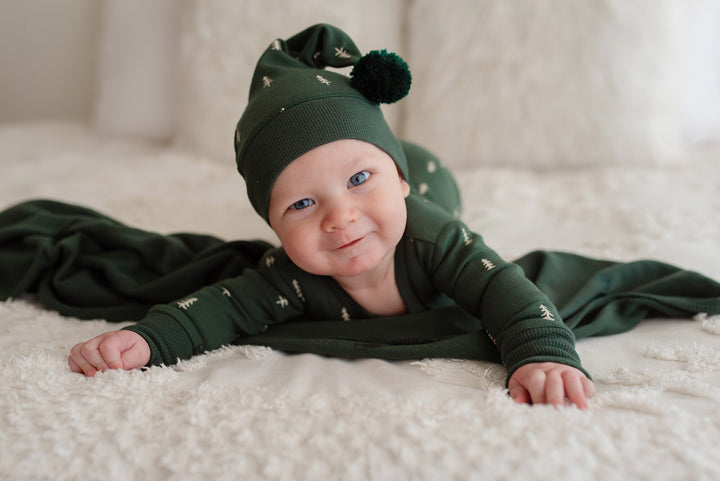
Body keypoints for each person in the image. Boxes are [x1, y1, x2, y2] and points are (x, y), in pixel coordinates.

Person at [69, 23, 599, 408]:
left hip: (433, 179)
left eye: (359, 180)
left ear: (400, 180)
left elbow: (503, 288)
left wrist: (541, 354)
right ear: (274, 227)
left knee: (425, 187)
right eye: (301, 203)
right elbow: (221, 307)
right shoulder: (291, 276)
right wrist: (147, 339)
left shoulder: (434, 239)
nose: (340, 218)